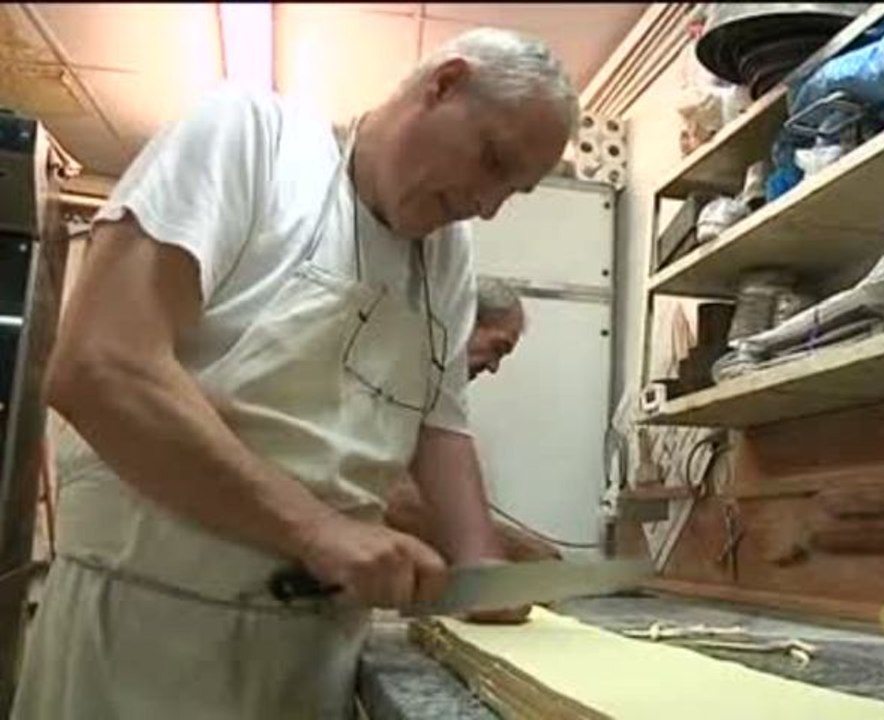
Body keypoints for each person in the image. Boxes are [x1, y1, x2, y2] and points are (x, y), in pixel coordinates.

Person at [15, 27, 577, 719]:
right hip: (143, 635)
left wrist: (477, 561)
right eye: (492, 161)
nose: (488, 204)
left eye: (513, 191)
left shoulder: (447, 253)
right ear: (443, 84)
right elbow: (99, 367)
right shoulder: (250, 138)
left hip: (314, 658)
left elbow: (440, 425)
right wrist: (318, 531)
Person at [386, 276, 561, 563]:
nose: (493, 367)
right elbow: (393, 501)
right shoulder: (393, 374)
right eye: (498, 348)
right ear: (464, 319)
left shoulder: (434, 393)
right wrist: (515, 548)